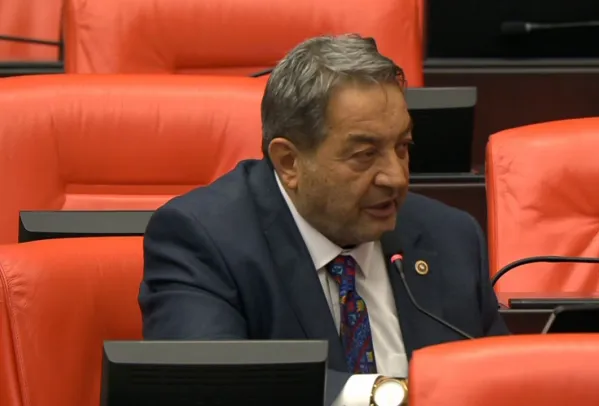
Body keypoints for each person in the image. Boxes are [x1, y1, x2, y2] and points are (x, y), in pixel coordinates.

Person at [139, 34, 508, 406]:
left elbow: (505, 385)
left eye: (402, 147)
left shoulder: (450, 236)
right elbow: (209, 385)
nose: (396, 178)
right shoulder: (203, 239)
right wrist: (390, 396)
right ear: (289, 162)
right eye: (365, 154)